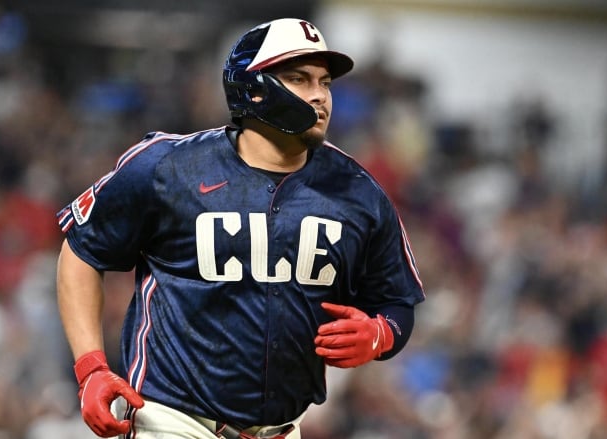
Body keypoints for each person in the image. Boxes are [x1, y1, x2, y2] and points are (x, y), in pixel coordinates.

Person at [55, 17, 425, 439]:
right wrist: (91, 368)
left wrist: (381, 334)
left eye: (325, 82)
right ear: (253, 87)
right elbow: (82, 250)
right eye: (299, 78)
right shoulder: (168, 166)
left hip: (283, 430)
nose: (320, 96)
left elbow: (396, 300)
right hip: (173, 420)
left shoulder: (358, 191)